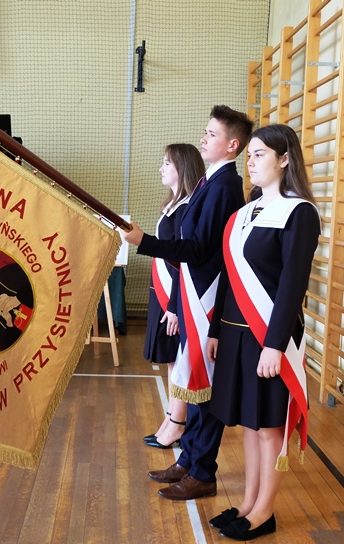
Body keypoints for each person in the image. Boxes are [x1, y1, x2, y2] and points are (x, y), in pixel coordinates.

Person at [123, 105, 253, 500]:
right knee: (194, 387)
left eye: (212, 134)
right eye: (205, 131)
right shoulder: (209, 182)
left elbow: (197, 250)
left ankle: (203, 472)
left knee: (204, 389)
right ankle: (189, 459)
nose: (203, 138)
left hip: (208, 300)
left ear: (232, 145)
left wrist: (144, 242)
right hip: (194, 296)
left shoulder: (225, 186)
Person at [205, 124, 319, 540]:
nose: (250, 162)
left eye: (259, 155)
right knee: (250, 426)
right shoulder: (244, 212)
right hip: (235, 334)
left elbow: (292, 284)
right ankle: (248, 503)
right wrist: (215, 329)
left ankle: (264, 512)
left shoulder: (298, 212)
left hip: (270, 337)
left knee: (269, 428)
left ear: (284, 159)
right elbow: (229, 279)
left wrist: (274, 345)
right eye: (249, 155)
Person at [142, 144, 205, 450]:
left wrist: (175, 306)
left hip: (175, 296)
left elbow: (183, 261)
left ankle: (178, 423)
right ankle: (171, 417)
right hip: (163, 292)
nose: (161, 168)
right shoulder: (174, 204)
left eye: (167, 163)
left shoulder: (186, 208)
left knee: (178, 360)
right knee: (170, 360)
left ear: (183, 167)